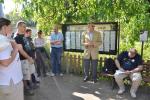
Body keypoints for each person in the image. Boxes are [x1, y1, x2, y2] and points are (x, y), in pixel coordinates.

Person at [0, 18, 23, 100]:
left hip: (7, 81)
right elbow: (5, 63)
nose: (11, 28)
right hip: (11, 82)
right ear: (4, 27)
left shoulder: (4, 39)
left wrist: (9, 38)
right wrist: (16, 49)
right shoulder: (2, 40)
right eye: (9, 26)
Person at [14, 21, 34, 95]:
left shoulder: (24, 36)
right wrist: (29, 58)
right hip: (23, 59)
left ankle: (30, 86)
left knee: (30, 74)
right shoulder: (17, 37)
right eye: (23, 26)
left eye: (25, 26)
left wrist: (31, 57)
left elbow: (28, 48)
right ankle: (27, 89)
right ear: (19, 27)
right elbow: (21, 51)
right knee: (25, 76)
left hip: (29, 58)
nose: (25, 28)